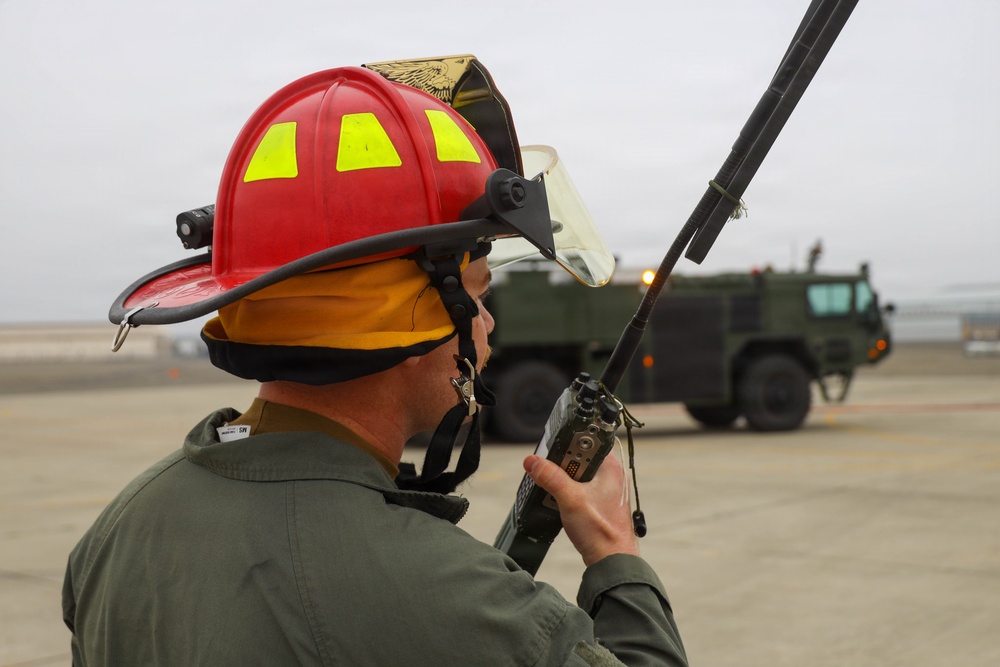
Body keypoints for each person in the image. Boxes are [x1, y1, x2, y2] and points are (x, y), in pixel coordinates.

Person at [63, 57, 688, 666]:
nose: (489, 323)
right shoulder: (469, 607)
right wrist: (614, 551)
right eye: (476, 292)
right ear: (400, 317)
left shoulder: (117, 530)